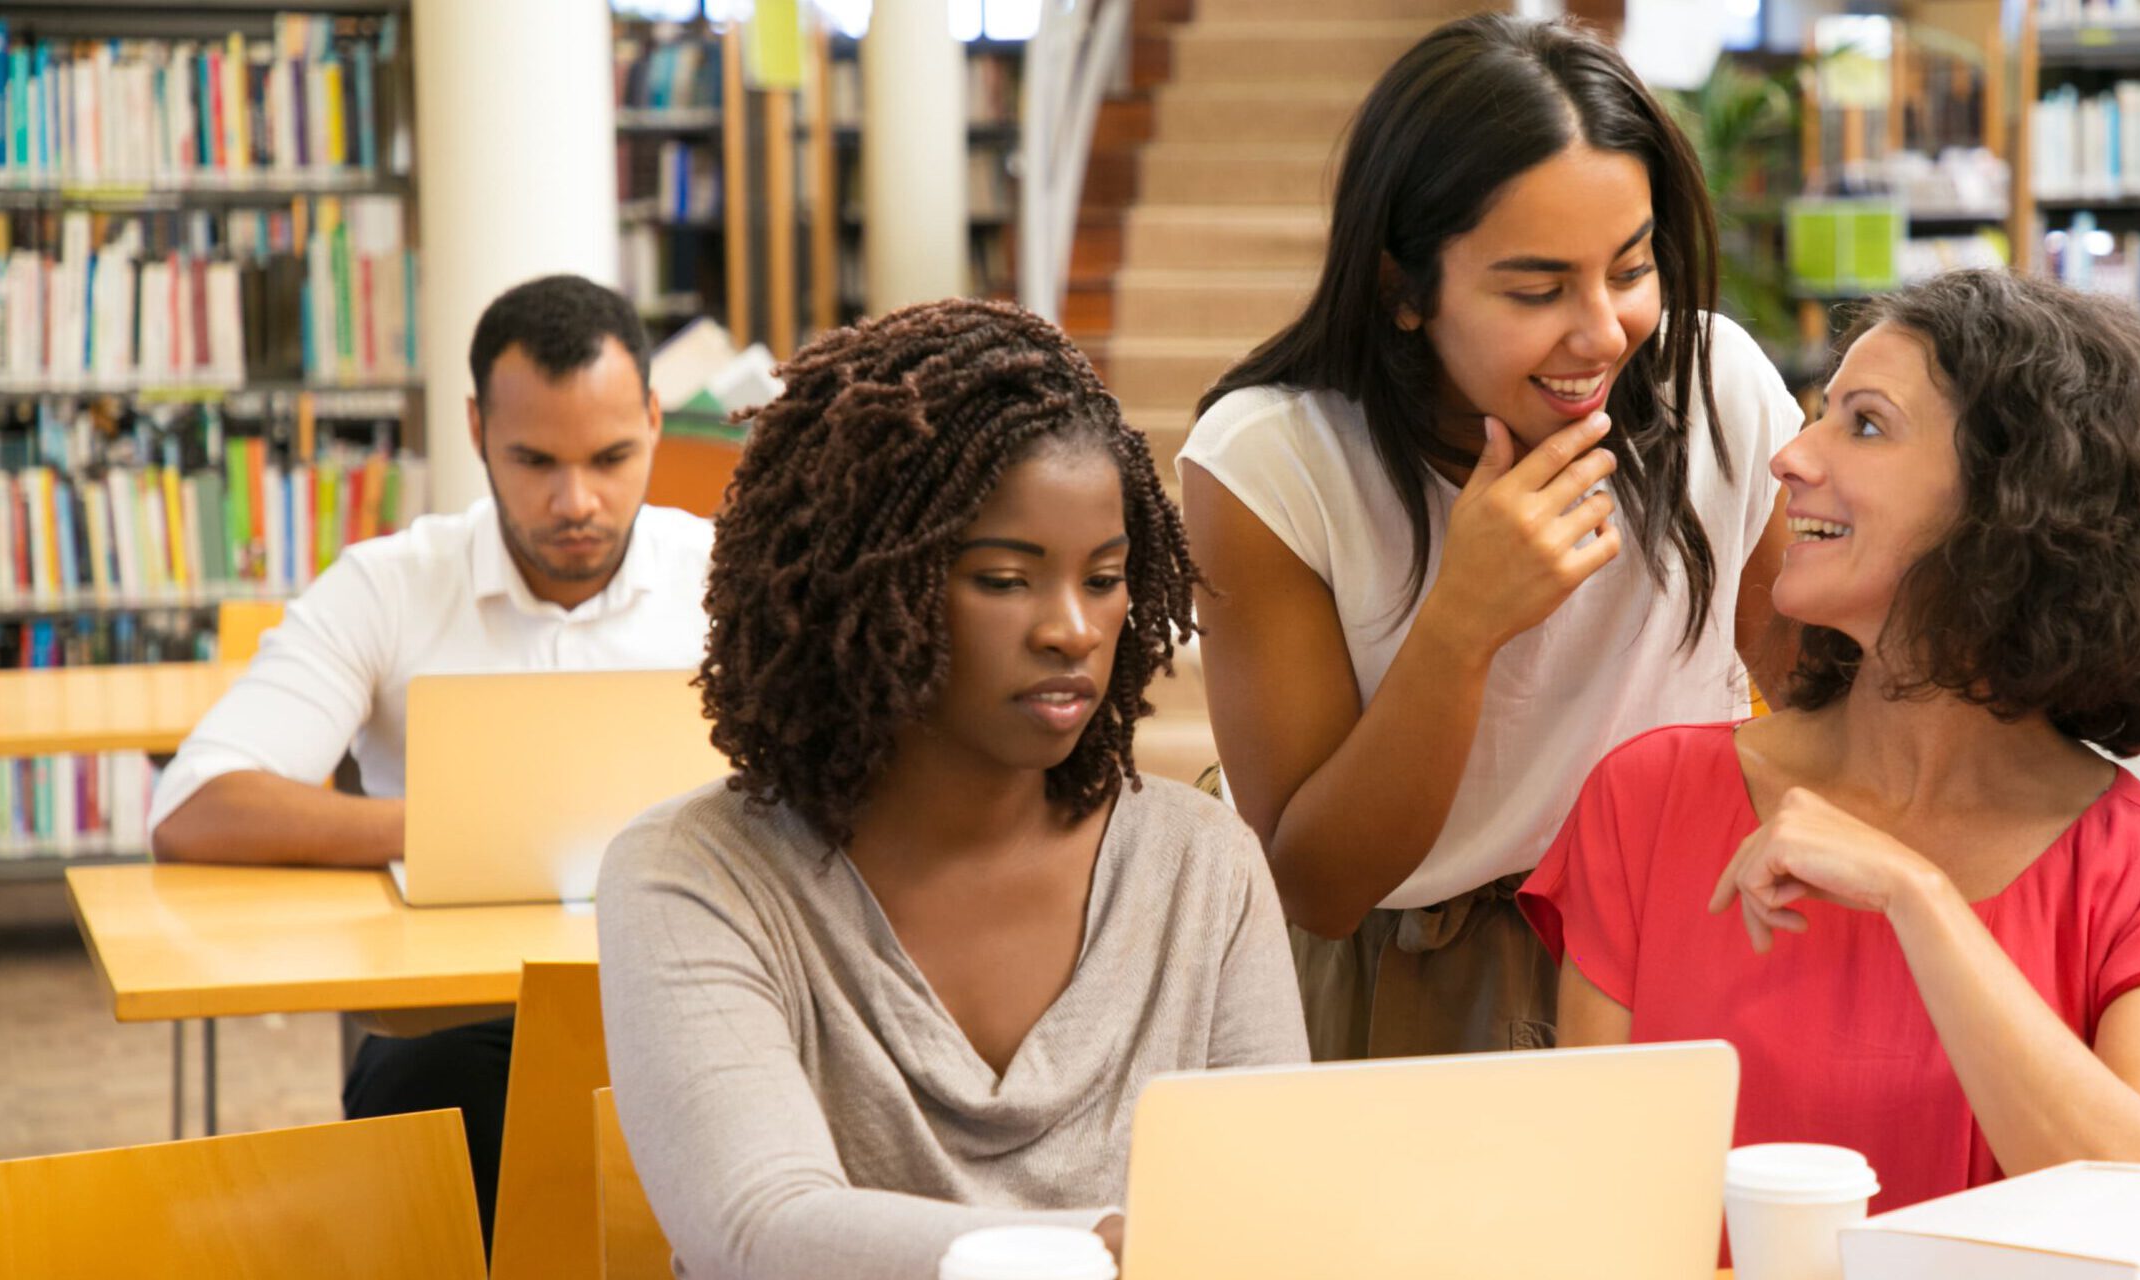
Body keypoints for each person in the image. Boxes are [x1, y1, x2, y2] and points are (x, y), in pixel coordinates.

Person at [1522, 269, 2140, 1213]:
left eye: (1863, 424)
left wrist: (1917, 898)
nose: (1789, 458)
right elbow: (1599, 1204)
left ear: (2016, 502)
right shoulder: (1649, 801)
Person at [596, 300, 1309, 1280]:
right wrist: (1114, 1250)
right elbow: (758, 1225)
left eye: (1103, 578)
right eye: (1006, 578)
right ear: (859, 581)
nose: (1071, 628)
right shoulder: (694, 873)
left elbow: (1273, 1208)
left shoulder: (1203, 864)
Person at [1178, 13, 1802, 1059]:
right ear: (1402, 289)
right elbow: (1321, 885)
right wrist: (1464, 619)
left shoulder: (1714, 386)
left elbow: (1821, 703)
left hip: (1679, 948)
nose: (1602, 330)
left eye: (1632, 267)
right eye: (1536, 287)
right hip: (1404, 973)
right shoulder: (1271, 463)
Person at [147, 273, 711, 1245]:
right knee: (433, 1114)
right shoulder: (389, 585)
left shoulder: (726, 582)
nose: (575, 499)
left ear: (657, 421)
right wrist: (465, 829)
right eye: (533, 458)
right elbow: (195, 805)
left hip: (701, 1004)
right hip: (461, 1024)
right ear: (476, 429)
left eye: (611, 456)